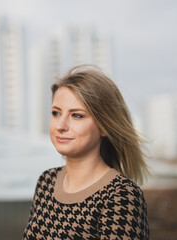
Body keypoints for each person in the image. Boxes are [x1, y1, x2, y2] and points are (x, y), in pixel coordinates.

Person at [23, 65, 150, 240]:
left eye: (77, 115)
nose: (60, 126)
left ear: (104, 126)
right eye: (56, 113)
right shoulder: (47, 182)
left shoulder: (122, 196)